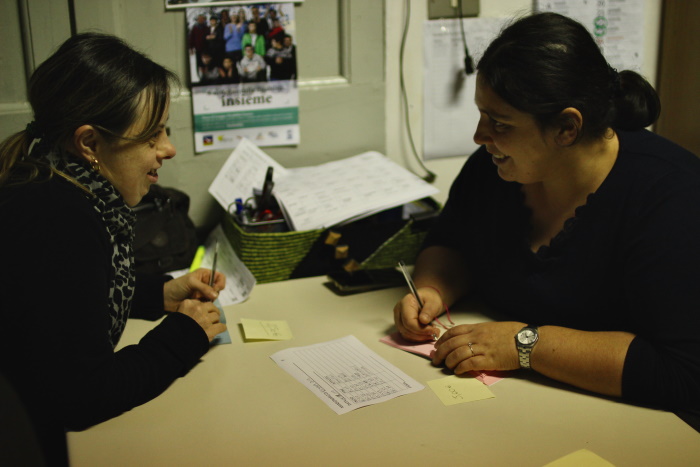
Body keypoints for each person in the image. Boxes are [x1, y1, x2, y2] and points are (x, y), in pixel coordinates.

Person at [393, 12, 700, 411]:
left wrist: (524, 344)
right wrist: (432, 290)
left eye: (499, 123)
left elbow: (683, 371)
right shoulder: (494, 168)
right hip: (513, 404)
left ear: (567, 128)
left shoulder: (672, 200)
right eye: (482, 115)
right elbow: (452, 241)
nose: (480, 136)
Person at [0, 33, 226, 464]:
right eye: (152, 136)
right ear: (89, 144)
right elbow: (83, 395)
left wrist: (161, 293)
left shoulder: (51, 180)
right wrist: (184, 335)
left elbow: (68, 303)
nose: (169, 149)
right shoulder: (58, 220)